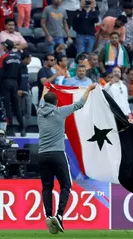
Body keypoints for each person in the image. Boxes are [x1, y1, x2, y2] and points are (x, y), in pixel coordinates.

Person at [38, 83, 96, 234]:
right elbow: (80, 104)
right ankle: (59, 215)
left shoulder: (39, 111)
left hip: (42, 154)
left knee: (47, 187)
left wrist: (46, 87)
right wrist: (89, 89)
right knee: (66, 185)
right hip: (57, 153)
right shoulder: (60, 112)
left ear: (44, 101)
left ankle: (49, 215)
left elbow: (43, 96)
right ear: (56, 102)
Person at [0, 39, 25, 137]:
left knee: (7, 107)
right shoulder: (18, 58)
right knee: (16, 106)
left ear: (6, 46)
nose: (2, 47)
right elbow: (20, 74)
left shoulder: (4, 57)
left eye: (3, 45)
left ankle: (11, 129)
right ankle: (22, 129)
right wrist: (19, 86)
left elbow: (0, 73)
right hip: (15, 84)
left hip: (5, 83)